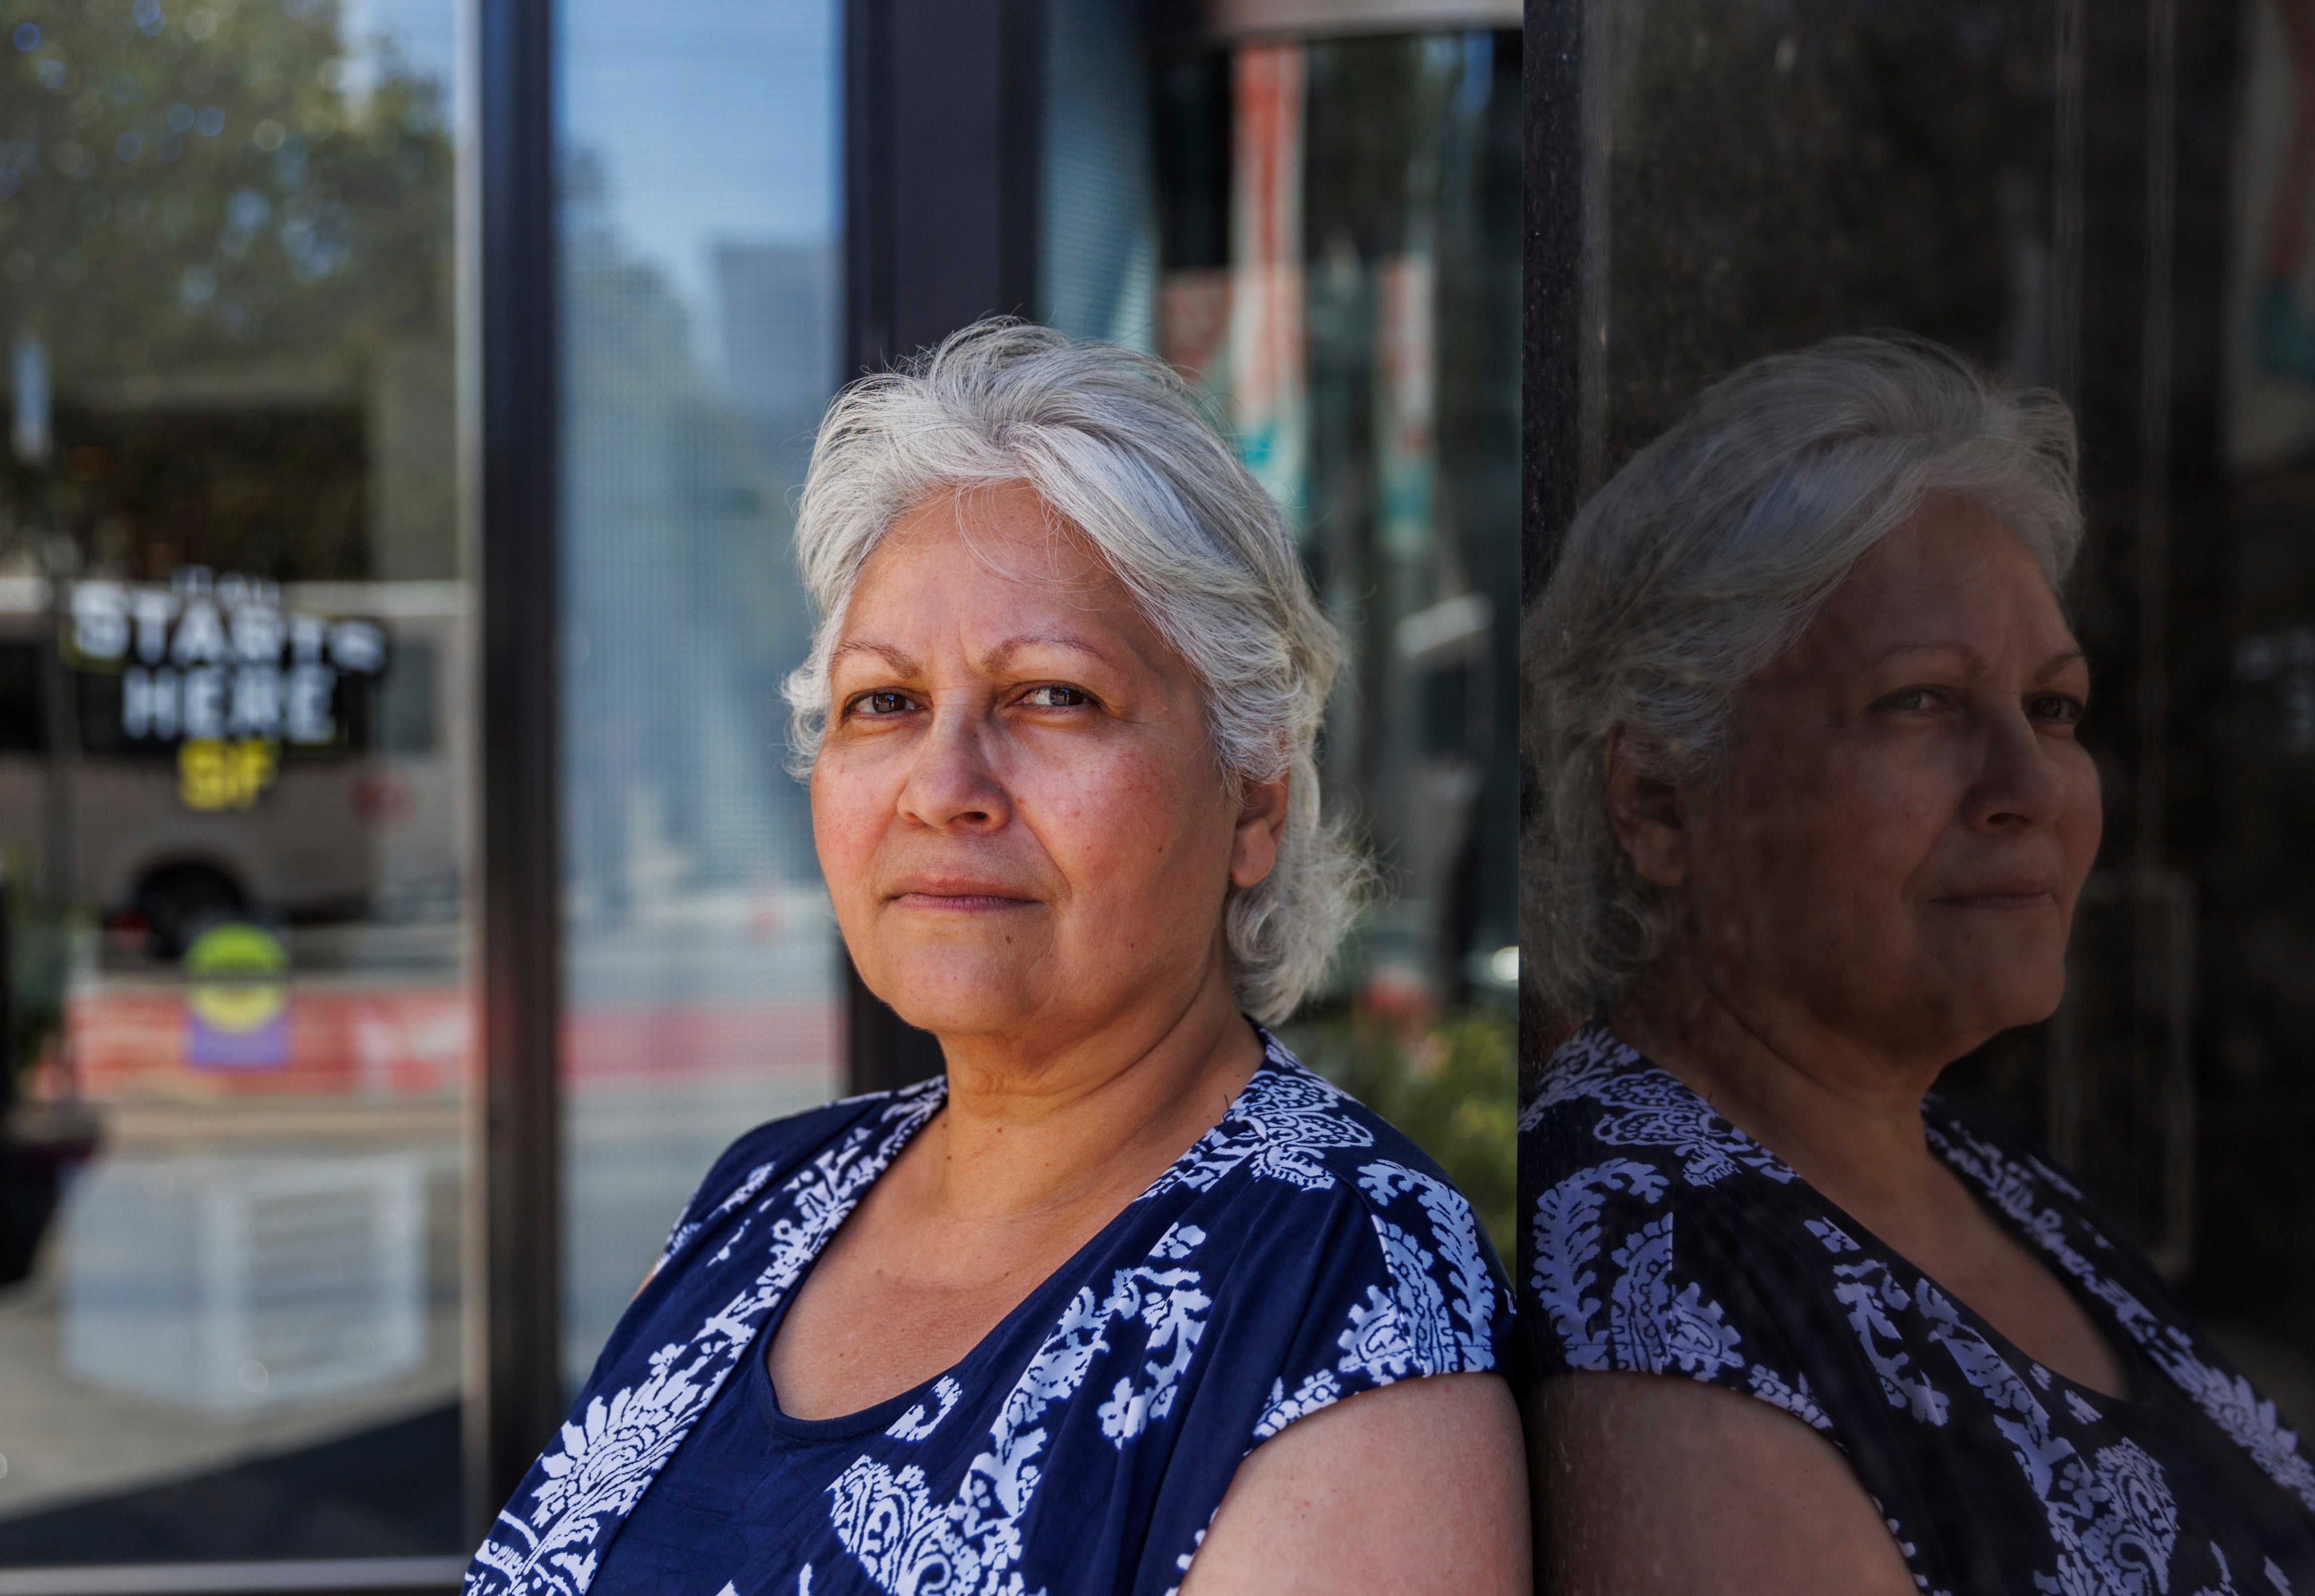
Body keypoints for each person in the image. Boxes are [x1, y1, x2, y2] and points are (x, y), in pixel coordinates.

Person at [464, 320, 1526, 1596]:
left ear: (1255, 801)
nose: (943, 785)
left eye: (1052, 695)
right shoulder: (760, 1200)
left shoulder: (1337, 1285)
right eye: (886, 703)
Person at [1517, 335, 2315, 1595]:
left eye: (2055, 708)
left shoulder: (1998, 1181)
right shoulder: (1643, 1268)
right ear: (1657, 800)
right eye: (1919, 701)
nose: (2029, 785)